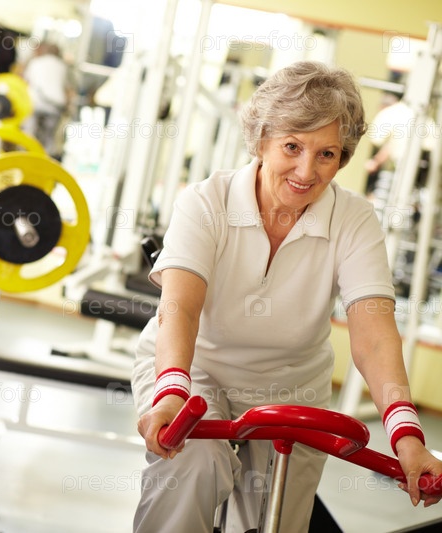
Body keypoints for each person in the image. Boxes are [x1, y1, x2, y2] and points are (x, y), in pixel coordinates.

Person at [131, 61, 442, 533]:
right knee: (193, 462)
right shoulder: (206, 201)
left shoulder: (354, 219)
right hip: (196, 371)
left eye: (326, 154)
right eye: (292, 147)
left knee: (275, 514)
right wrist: (172, 393)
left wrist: (407, 436)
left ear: (343, 158)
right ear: (261, 140)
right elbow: (181, 308)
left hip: (292, 387)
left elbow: (375, 337)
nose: (306, 171)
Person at [21, 42, 72, 159]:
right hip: (55, 106)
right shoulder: (62, 66)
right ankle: (44, 161)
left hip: (35, 104)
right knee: (49, 138)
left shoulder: (35, 63)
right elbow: (68, 89)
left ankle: (24, 158)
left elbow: (25, 82)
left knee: (28, 135)